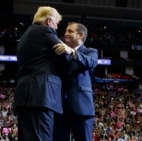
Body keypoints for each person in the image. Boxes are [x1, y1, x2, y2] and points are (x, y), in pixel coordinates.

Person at [13, 6, 73, 141]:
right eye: (56, 23)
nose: (57, 28)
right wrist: (70, 50)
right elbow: (66, 58)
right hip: (41, 96)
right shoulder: (45, 32)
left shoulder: (26, 35)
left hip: (26, 97)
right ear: (49, 21)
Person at [53, 22, 98, 141]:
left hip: (82, 108)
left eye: (70, 31)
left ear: (80, 35)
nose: (65, 33)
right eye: (66, 31)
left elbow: (91, 62)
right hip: (60, 108)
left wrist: (72, 52)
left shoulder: (90, 51)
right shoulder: (60, 53)